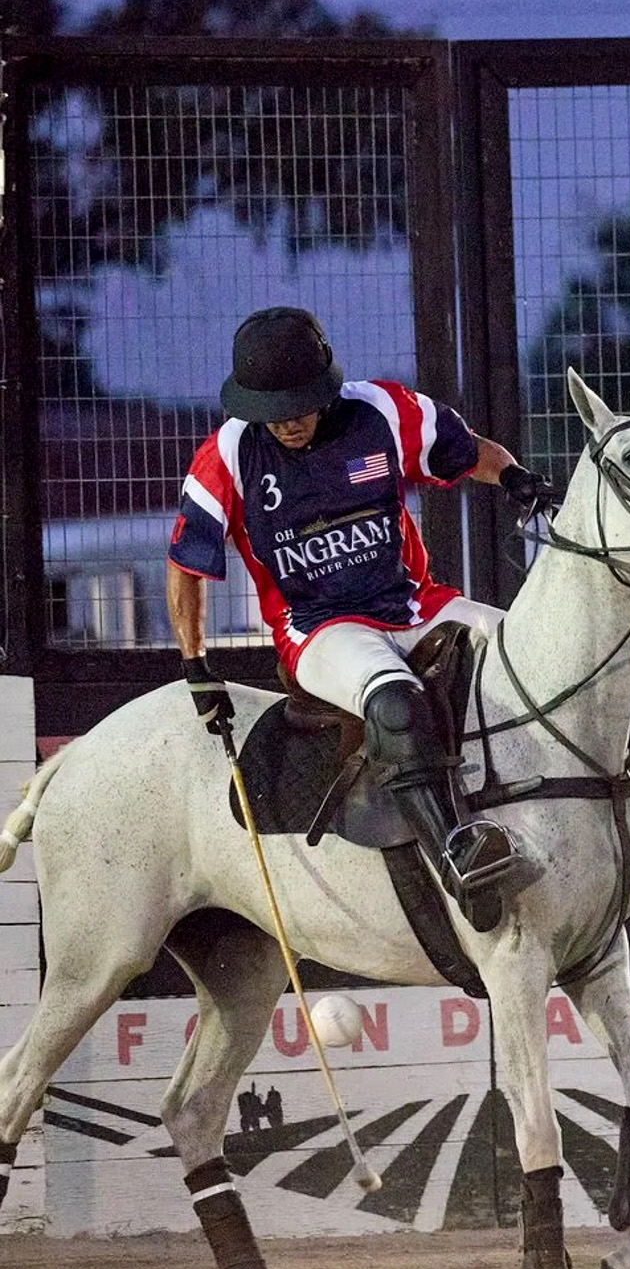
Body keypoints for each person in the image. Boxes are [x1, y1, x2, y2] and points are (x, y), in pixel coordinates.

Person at [167, 306, 554, 916]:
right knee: (396, 704)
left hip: (413, 603)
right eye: (273, 411)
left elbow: (465, 450)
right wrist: (197, 666)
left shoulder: (383, 411)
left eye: (300, 406)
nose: (288, 423)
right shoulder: (227, 455)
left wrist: (514, 480)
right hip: (319, 628)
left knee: (536, 657)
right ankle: (457, 852)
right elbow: (185, 567)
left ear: (326, 389)